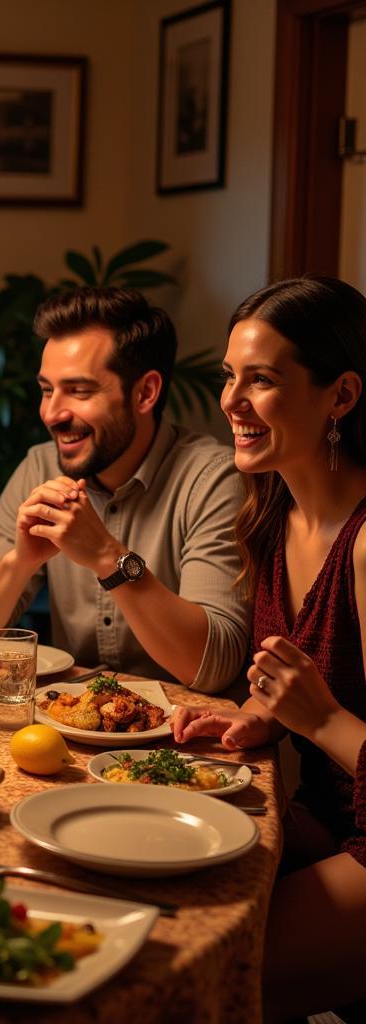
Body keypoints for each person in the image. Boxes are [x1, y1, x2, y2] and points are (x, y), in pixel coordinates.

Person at [172, 277, 366, 1021]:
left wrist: (315, 721)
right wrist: (258, 716)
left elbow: (327, 706)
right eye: (229, 376)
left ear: (340, 397)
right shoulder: (273, 512)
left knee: (207, 981)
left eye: (262, 379)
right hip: (316, 821)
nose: (231, 400)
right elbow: (301, 678)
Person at [0, 287, 249, 692]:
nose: (52, 413)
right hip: (67, 727)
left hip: (185, 741)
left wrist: (110, 558)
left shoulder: (211, 478)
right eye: (46, 389)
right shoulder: (40, 466)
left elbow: (215, 664)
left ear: (145, 392)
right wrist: (19, 561)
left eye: (78, 391)